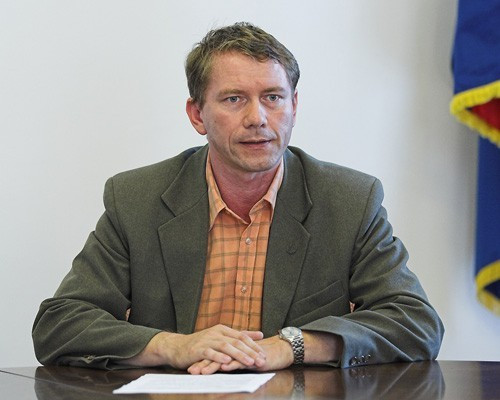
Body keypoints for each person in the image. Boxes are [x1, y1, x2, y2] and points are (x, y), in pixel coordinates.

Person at [32, 22, 444, 374]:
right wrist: (173, 346)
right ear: (197, 115)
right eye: (234, 99)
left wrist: (292, 346)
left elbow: (415, 322)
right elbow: (60, 324)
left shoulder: (348, 200)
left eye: (273, 97)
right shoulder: (137, 199)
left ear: (294, 106)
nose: (257, 118)